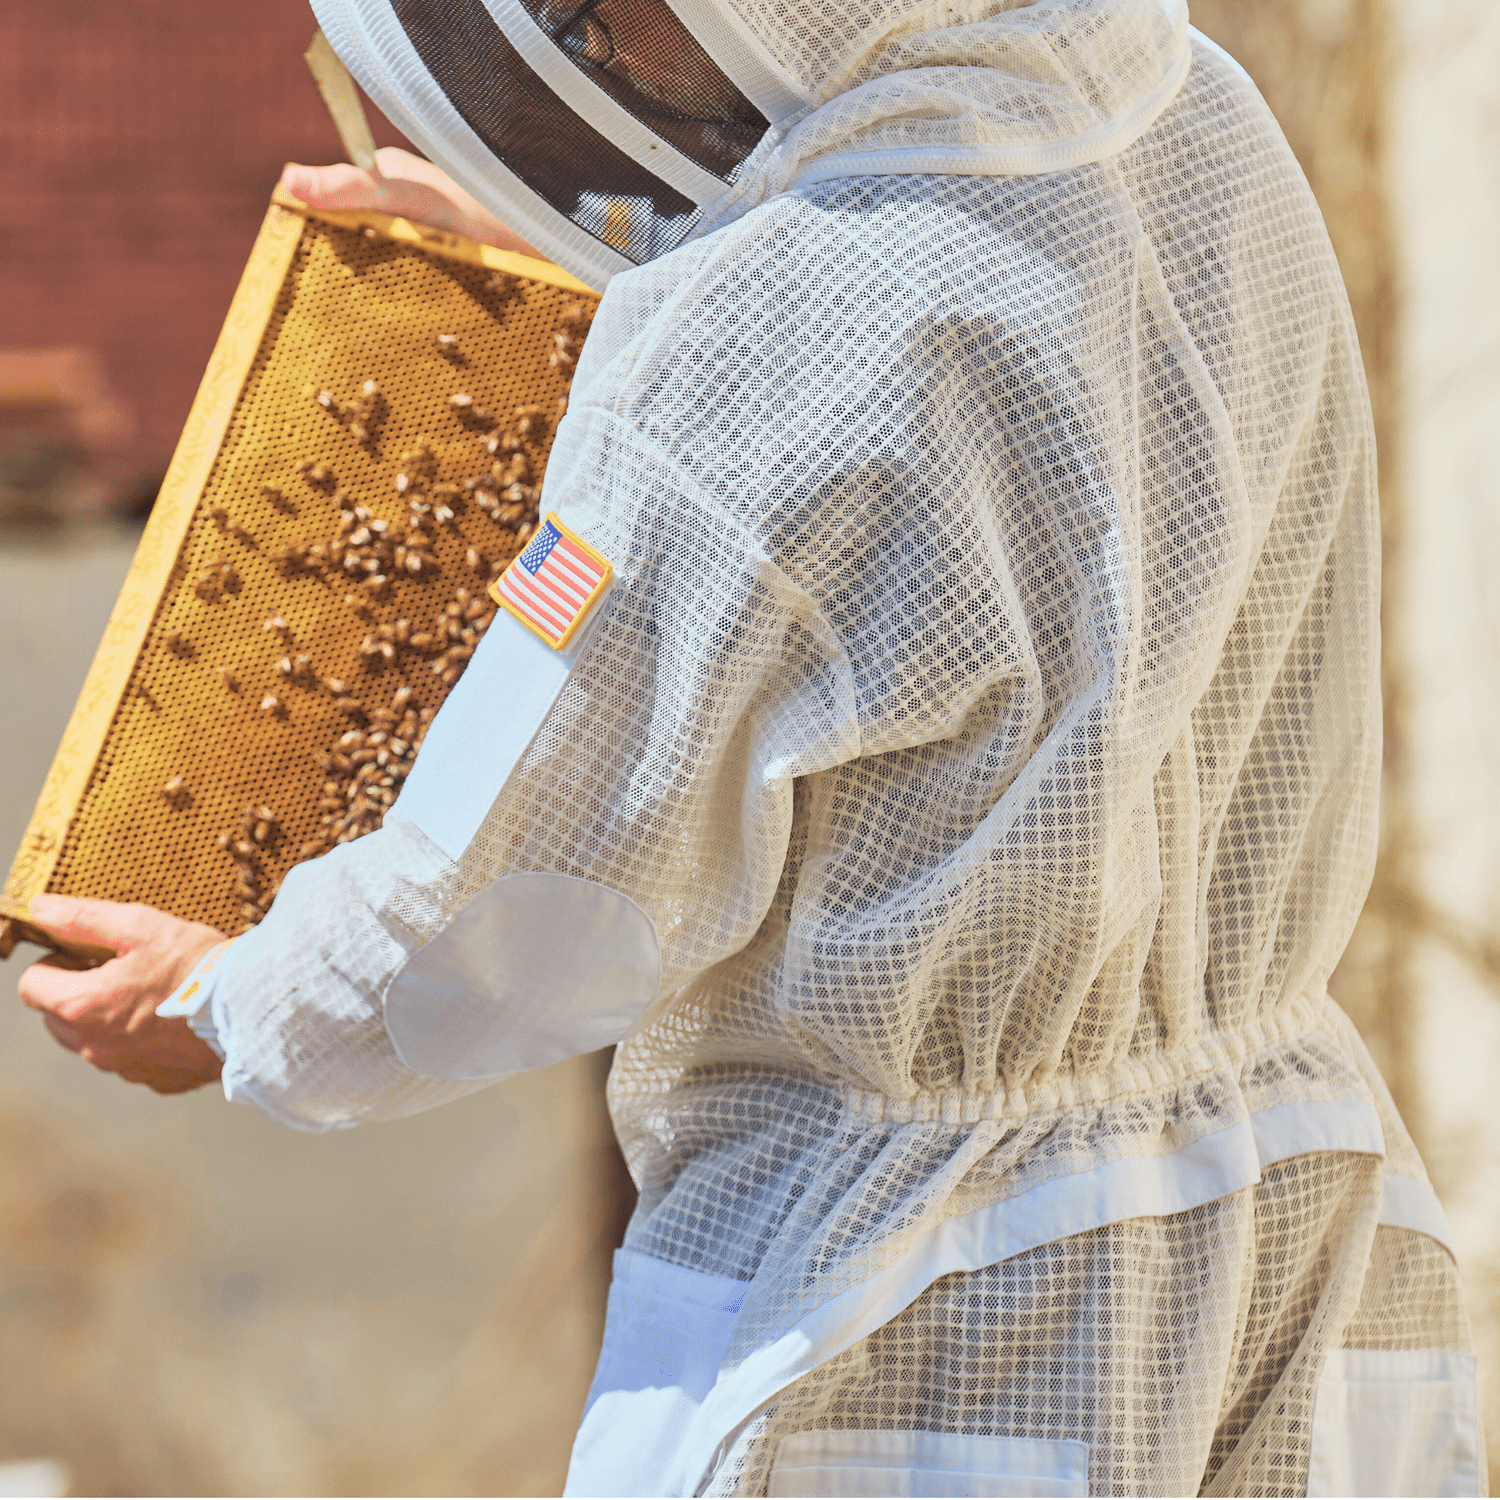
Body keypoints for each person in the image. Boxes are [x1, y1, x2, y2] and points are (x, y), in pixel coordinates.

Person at [17, 0, 1488, 1493]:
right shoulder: (1185, 112)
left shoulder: (752, 347)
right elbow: (951, 392)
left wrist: (227, 1004)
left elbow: (503, 911)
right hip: (1286, 1217)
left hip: (918, 1309)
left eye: (596, 9)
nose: (590, 47)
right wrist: (610, 295)